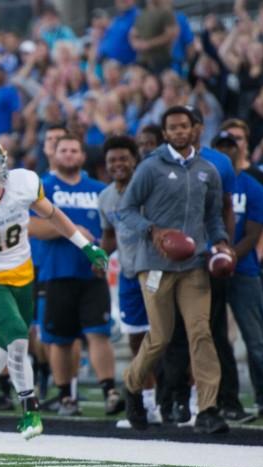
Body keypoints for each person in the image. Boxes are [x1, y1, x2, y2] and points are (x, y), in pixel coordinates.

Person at [0, 137, 109, 440]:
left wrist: (85, 245)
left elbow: (53, 215)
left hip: (24, 274)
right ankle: (30, 410)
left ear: (2, 165)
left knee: (7, 337)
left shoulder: (23, 184)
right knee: (17, 336)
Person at [116, 105, 233, 434]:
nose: (180, 131)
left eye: (185, 126)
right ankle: (133, 386)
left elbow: (213, 217)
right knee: (160, 337)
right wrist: (152, 231)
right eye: (173, 127)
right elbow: (126, 209)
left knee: (201, 332)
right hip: (155, 265)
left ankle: (208, 408)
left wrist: (221, 242)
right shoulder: (150, 168)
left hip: (194, 264)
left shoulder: (207, 170)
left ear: (195, 129)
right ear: (165, 133)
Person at [29, 134, 120, 417]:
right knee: (60, 338)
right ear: (54, 155)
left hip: (91, 273)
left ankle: (110, 390)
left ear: (83, 156)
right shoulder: (42, 187)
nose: (69, 154)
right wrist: (71, 230)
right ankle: (66, 394)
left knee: (98, 333)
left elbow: (113, 230)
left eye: (74, 150)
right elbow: (30, 226)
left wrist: (102, 252)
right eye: (63, 150)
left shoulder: (100, 189)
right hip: (56, 271)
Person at [99, 135, 162, 426]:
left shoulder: (150, 189)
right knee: (137, 339)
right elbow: (110, 234)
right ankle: (148, 403)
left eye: (124, 158)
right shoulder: (106, 197)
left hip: (155, 269)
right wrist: (100, 256)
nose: (118, 164)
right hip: (127, 272)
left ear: (134, 160)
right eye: (112, 160)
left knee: (164, 336)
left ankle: (179, 399)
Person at [211, 130, 263, 417]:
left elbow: (256, 230)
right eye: (220, 148)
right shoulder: (204, 184)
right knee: (216, 338)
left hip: (245, 270)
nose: (226, 153)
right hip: (209, 270)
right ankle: (227, 400)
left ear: (239, 151)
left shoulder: (253, 186)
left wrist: (230, 254)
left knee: (255, 339)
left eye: (230, 147)